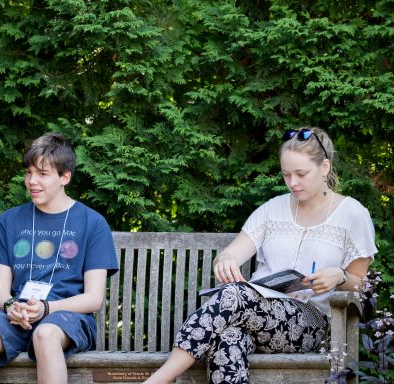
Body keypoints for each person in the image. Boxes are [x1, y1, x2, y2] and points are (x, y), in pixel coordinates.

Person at [145, 127, 377, 384]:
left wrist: (340, 275)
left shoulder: (352, 214)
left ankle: (158, 381)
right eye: (286, 174)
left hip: (311, 322)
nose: (293, 183)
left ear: (324, 168)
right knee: (227, 338)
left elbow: (361, 283)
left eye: (301, 174)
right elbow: (230, 253)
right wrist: (225, 261)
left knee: (234, 294)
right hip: (256, 315)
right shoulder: (272, 209)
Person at [0, 132, 119, 384]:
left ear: (65, 177)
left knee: (45, 334)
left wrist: (47, 308)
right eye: (28, 172)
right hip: (19, 316)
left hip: (67, 318)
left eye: (42, 173)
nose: (32, 181)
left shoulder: (92, 223)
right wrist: (11, 306)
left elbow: (93, 299)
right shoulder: (9, 221)